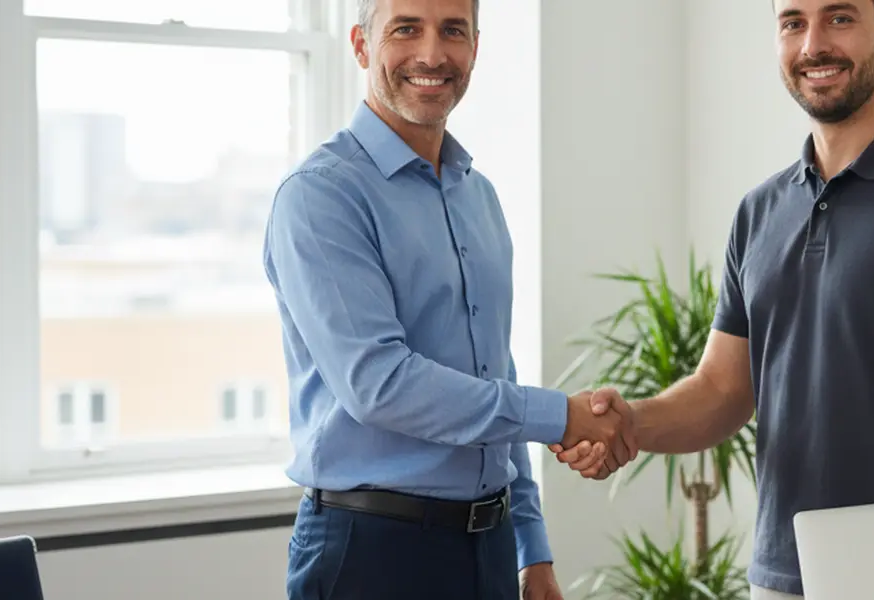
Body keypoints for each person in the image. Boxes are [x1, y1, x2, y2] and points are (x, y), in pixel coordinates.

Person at [552, 0, 874, 599]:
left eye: (839, 18)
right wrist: (630, 421)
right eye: (793, 23)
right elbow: (722, 392)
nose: (813, 45)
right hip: (783, 578)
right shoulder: (759, 213)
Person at [263, 0, 635, 598]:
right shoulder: (320, 197)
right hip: (370, 552)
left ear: (475, 49)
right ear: (361, 45)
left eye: (453, 31)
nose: (432, 55)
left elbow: (493, 370)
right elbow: (379, 384)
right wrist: (561, 416)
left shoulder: (478, 195)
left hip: (487, 547)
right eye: (406, 29)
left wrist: (530, 544)